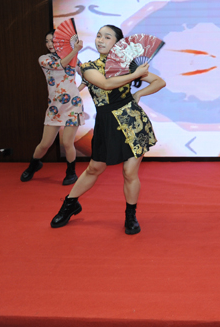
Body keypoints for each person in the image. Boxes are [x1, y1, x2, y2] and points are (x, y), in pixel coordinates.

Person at [50, 25, 166, 235]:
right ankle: (70, 203)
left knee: (129, 172)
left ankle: (130, 216)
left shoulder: (127, 66)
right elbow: (105, 84)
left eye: (107, 37)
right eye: (98, 36)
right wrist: (134, 75)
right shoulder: (88, 67)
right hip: (106, 123)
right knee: (94, 168)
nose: (100, 40)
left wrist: (139, 94)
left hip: (133, 122)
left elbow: (159, 82)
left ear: (118, 43)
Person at [20, 30, 85, 185]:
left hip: (73, 106)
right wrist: (75, 51)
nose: (49, 44)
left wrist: (76, 91)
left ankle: (71, 173)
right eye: (47, 41)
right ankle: (33, 165)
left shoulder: (75, 58)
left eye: (53, 41)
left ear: (61, 42)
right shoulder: (44, 59)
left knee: (68, 143)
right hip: (54, 108)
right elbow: (59, 65)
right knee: (45, 143)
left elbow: (87, 77)